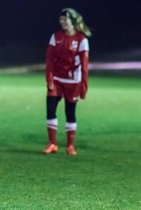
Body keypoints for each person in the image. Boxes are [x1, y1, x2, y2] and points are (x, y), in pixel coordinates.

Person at [43, 8, 92, 155]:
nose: (62, 23)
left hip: (73, 82)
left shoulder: (82, 40)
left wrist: (83, 87)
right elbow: (50, 60)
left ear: (73, 21)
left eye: (65, 20)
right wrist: (49, 78)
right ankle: (52, 144)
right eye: (61, 21)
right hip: (57, 80)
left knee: (70, 112)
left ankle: (70, 145)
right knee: (50, 110)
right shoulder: (55, 37)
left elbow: (84, 66)